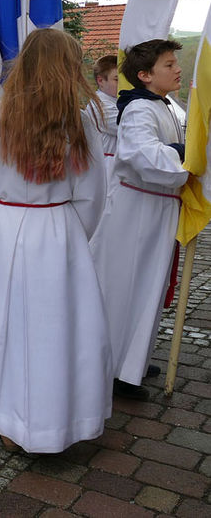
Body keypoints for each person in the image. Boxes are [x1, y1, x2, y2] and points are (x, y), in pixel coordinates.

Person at [0, 28, 112, 454]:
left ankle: (5, 419)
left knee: (1, 325)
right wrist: (75, 240)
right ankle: (53, 422)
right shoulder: (81, 123)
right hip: (59, 230)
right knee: (53, 331)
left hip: (5, 228)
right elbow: (93, 195)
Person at [89, 39, 187, 401]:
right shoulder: (138, 110)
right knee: (125, 287)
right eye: (168, 64)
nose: (177, 69)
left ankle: (133, 360)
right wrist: (186, 151)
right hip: (138, 209)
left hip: (157, 209)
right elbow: (142, 156)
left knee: (148, 288)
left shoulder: (165, 105)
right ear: (145, 76)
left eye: (175, 62)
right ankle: (113, 367)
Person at [84, 55, 119, 187]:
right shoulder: (99, 105)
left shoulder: (115, 101)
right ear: (100, 81)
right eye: (116, 80)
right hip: (106, 169)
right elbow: (129, 127)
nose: (122, 85)